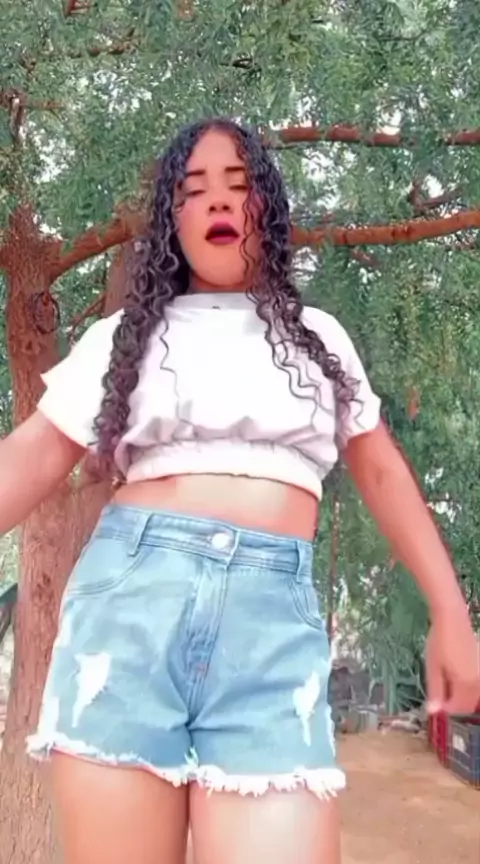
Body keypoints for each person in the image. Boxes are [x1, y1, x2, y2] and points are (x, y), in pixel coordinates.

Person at [1, 118, 478, 864]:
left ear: (269, 211)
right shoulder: (122, 339)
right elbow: (30, 458)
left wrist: (451, 611)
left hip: (270, 637)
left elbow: (383, 471)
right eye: (194, 190)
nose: (219, 200)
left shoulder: (320, 340)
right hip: (127, 623)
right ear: (172, 223)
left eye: (240, 184)